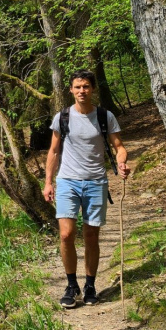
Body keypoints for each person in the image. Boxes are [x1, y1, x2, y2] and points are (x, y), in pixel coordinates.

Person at [43, 71, 130, 308]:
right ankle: (72, 285)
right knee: (66, 234)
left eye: (86, 86)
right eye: (78, 87)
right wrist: (48, 182)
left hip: (95, 182)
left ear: (92, 89)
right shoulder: (62, 117)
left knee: (91, 236)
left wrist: (122, 162)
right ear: (71, 90)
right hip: (67, 181)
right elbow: (53, 151)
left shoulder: (104, 116)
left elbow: (119, 146)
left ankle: (90, 285)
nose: (82, 90)